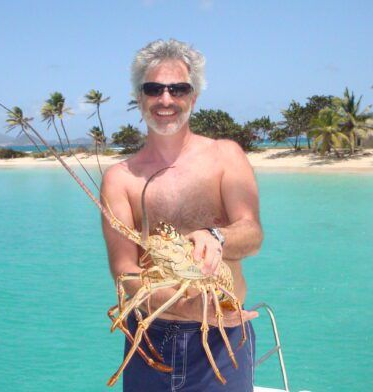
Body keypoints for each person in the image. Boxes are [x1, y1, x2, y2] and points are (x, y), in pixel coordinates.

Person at [101, 39, 263, 392]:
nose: (165, 99)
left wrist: (215, 237)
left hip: (222, 336)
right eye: (154, 89)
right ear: (139, 97)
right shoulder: (120, 178)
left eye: (178, 89)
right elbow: (125, 272)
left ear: (194, 96)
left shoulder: (225, 156)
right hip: (149, 338)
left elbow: (252, 234)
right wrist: (184, 309)